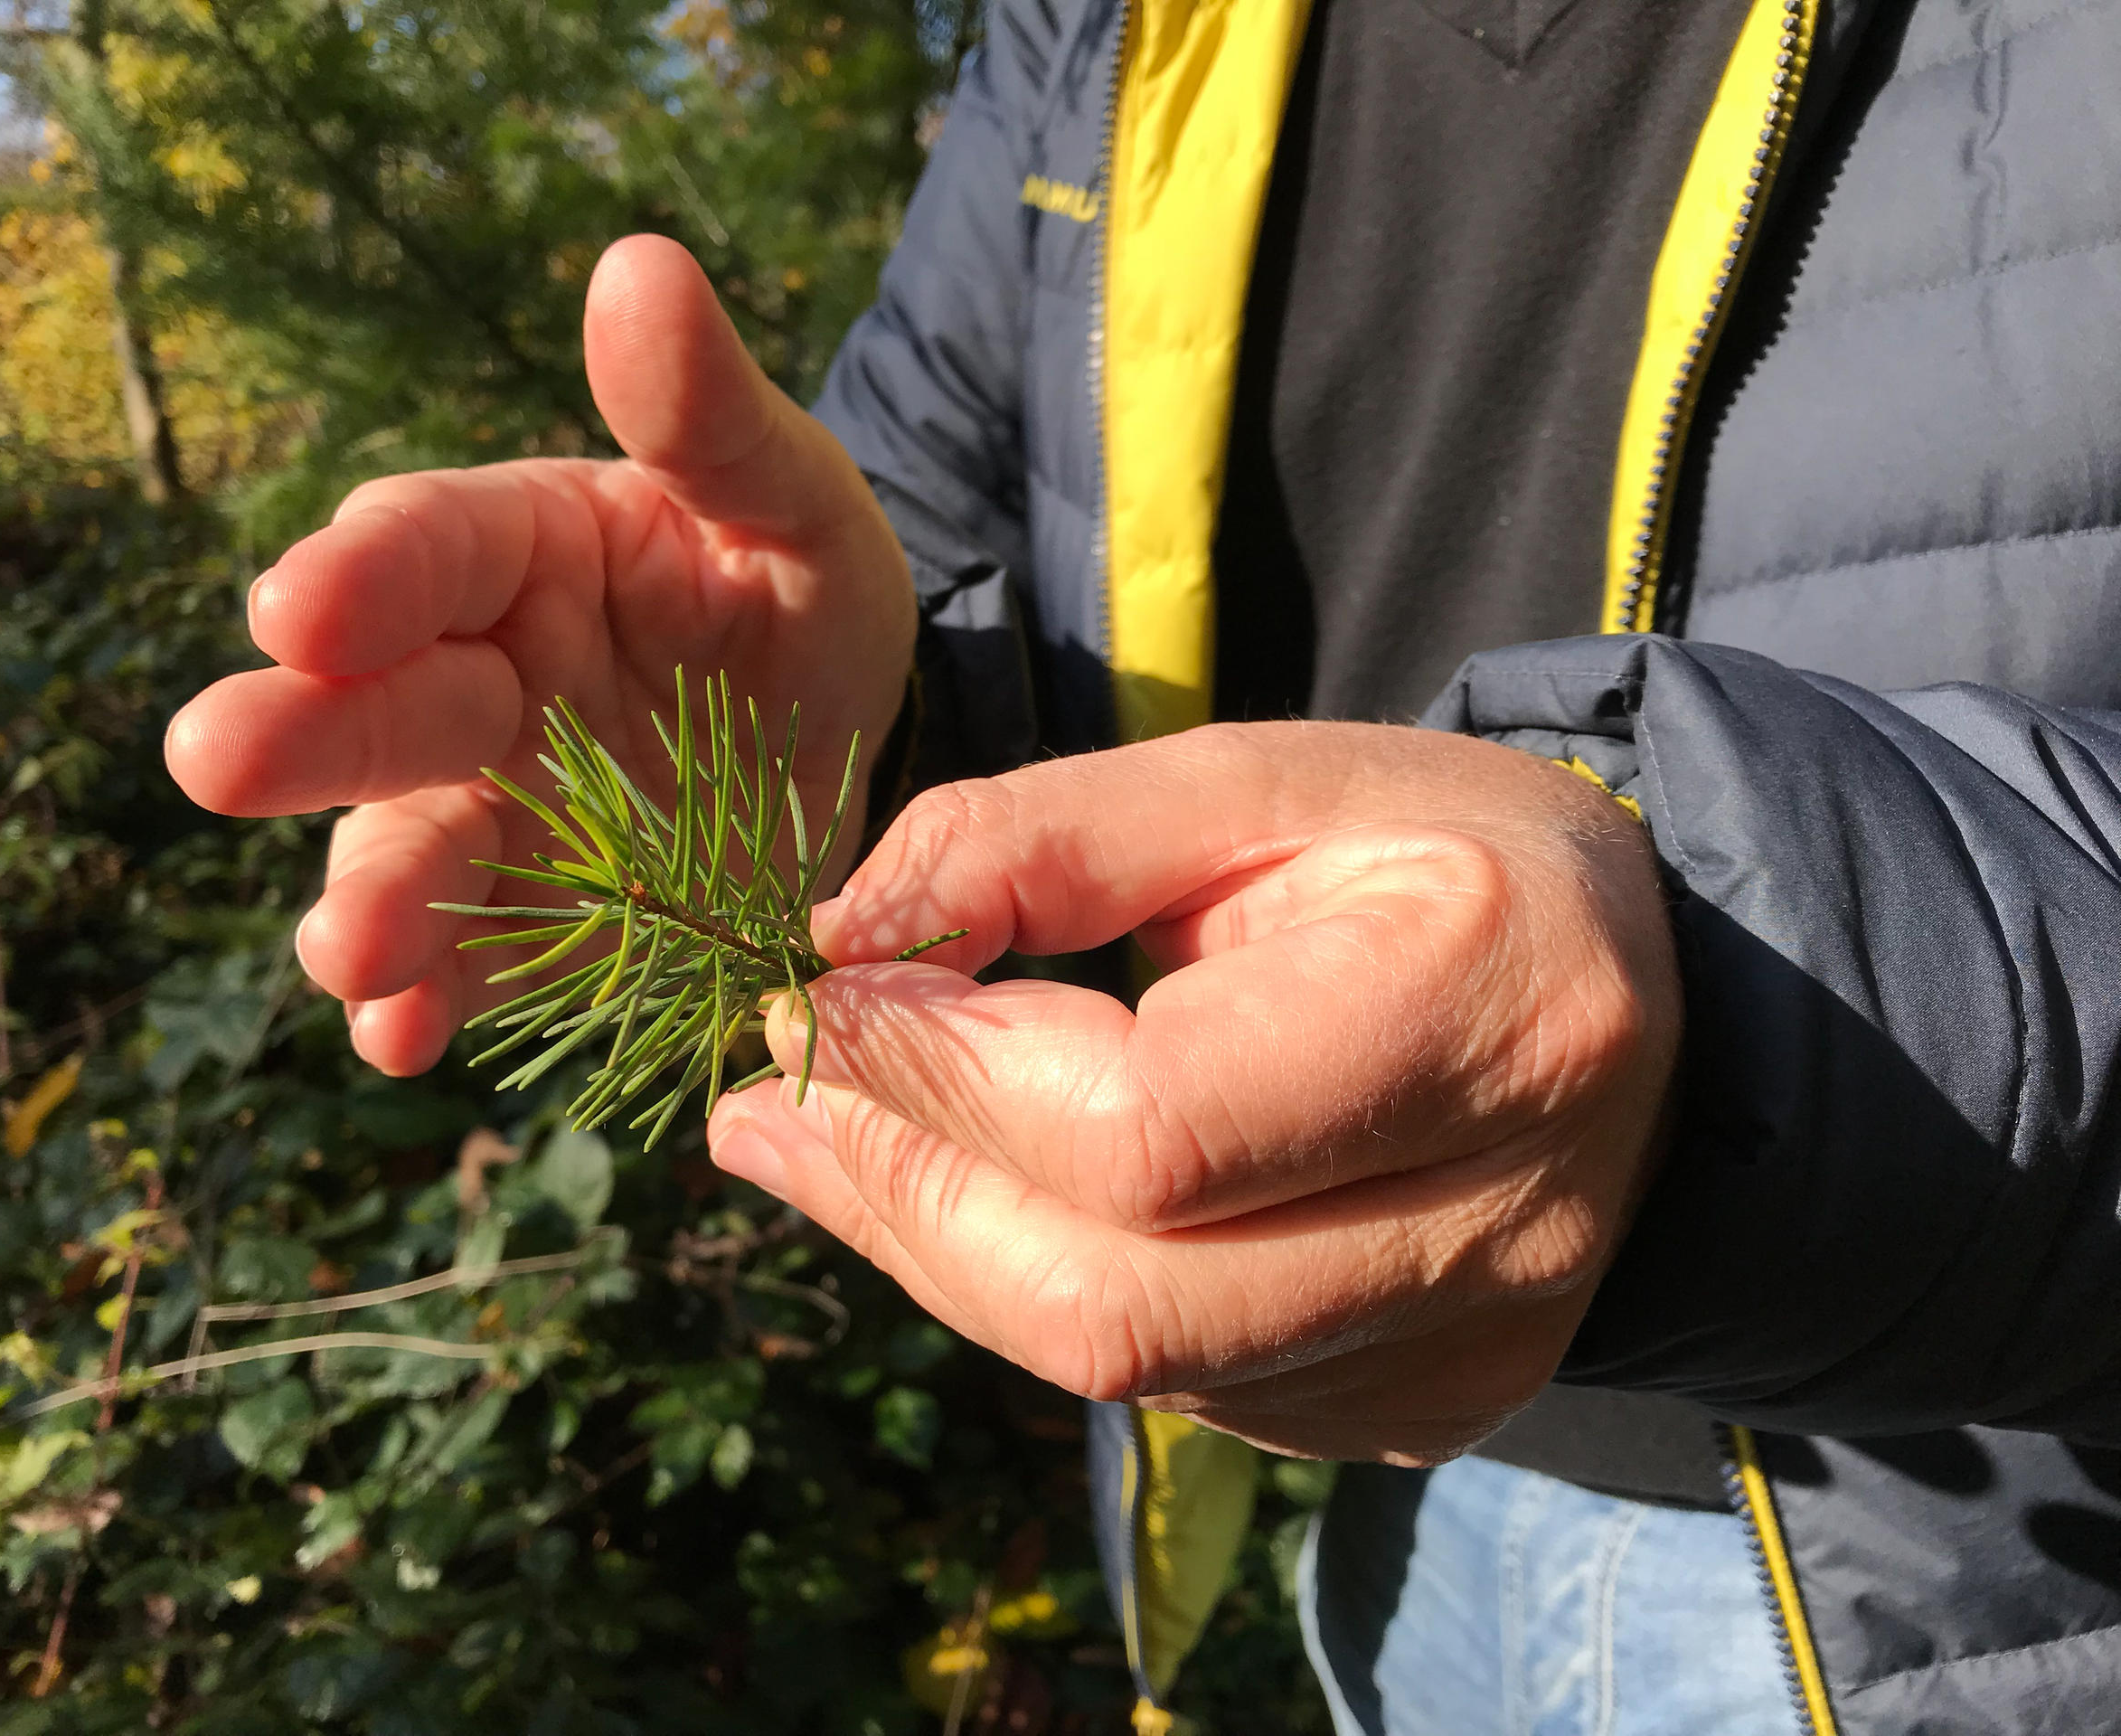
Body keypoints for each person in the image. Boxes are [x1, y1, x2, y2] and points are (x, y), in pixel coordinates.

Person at [166, 0, 2121, 1728]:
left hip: (2008, 1573)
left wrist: (1763, 1026)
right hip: (1382, 1511)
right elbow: (941, 496)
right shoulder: (1098, 25)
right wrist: (874, 730)